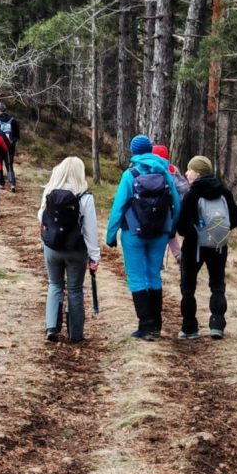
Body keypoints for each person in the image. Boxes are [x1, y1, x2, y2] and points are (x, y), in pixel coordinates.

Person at [105, 134, 181, 340]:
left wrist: (111, 235)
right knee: (154, 275)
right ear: (150, 149)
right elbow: (176, 203)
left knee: (137, 277)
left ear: (133, 151)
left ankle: (145, 326)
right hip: (160, 234)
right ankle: (156, 324)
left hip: (133, 233)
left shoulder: (130, 174)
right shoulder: (165, 172)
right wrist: (170, 229)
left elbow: (118, 207)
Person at [174, 155, 237, 340]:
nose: (186, 173)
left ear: (198, 172)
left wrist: (196, 231)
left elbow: (181, 227)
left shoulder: (192, 193)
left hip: (194, 247)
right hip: (219, 245)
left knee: (188, 287)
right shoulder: (224, 192)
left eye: (190, 169)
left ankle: (189, 328)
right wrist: (217, 231)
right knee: (217, 285)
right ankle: (217, 325)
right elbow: (235, 219)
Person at [38, 157, 100, 343]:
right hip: (76, 250)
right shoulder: (85, 197)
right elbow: (90, 230)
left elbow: (40, 216)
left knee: (54, 284)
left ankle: (51, 327)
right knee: (74, 289)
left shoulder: (50, 191)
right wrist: (94, 256)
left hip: (52, 248)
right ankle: (75, 334)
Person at [152, 144, 189, 263]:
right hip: (175, 209)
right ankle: (179, 256)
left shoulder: (156, 170)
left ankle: (159, 260)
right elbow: (184, 188)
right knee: (170, 234)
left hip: (160, 209)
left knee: (159, 234)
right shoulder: (173, 169)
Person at [0, 102, 21, 192]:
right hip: (10, 146)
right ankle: (12, 184)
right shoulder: (13, 120)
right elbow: (17, 136)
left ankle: (1, 183)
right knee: (9, 165)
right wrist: (13, 143)